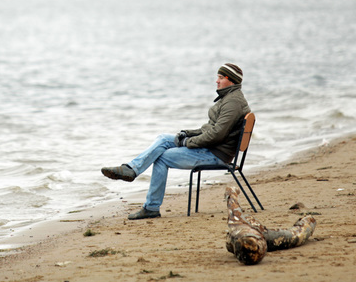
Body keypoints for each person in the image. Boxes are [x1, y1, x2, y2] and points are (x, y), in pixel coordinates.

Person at [101, 63, 250, 220]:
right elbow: (209, 129)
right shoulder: (229, 98)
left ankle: (151, 207)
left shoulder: (232, 103)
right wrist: (187, 134)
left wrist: (187, 142)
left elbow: (216, 135)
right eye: (217, 77)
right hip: (212, 149)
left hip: (216, 154)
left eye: (220, 78)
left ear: (231, 80)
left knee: (162, 157)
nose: (216, 81)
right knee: (163, 138)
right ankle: (131, 168)